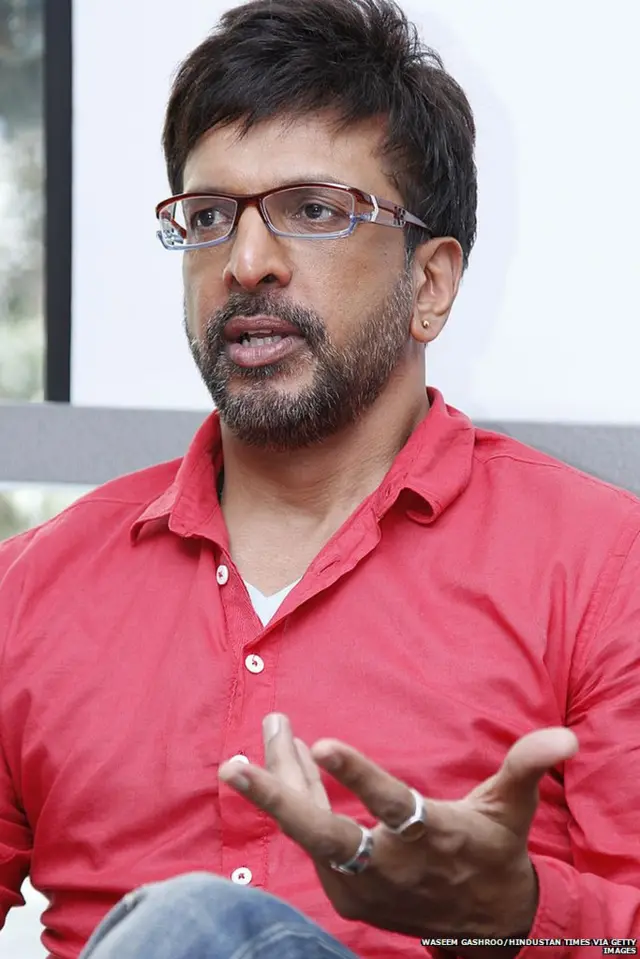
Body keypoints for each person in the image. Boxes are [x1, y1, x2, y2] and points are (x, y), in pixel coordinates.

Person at [1, 0, 639, 956]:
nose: (246, 263)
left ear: (430, 283)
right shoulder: (29, 589)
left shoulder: (602, 566)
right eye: (209, 217)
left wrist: (513, 915)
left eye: (314, 211)